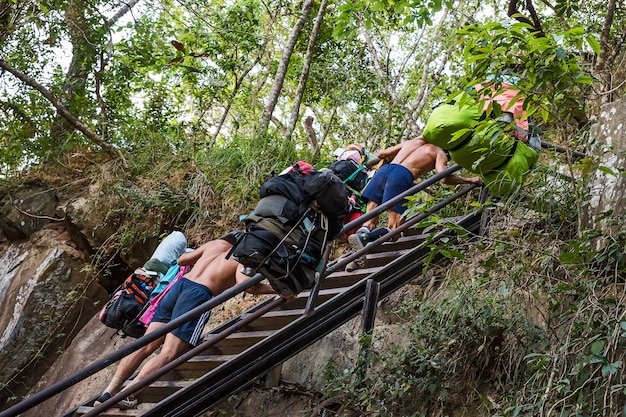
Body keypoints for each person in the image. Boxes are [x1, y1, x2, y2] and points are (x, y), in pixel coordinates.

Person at [94, 231, 279, 410]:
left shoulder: (213, 245)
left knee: (145, 345)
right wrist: (276, 290)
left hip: (179, 286)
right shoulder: (241, 256)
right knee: (169, 353)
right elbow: (246, 286)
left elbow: (182, 260)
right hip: (198, 295)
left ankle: (108, 394)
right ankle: (127, 395)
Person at [346, 138, 482, 270]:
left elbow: (381, 154)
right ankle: (364, 238)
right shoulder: (438, 152)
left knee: (369, 222)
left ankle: (354, 257)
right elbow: (444, 177)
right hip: (401, 175)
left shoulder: (413, 142)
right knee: (394, 230)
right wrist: (470, 180)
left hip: (384, 171)